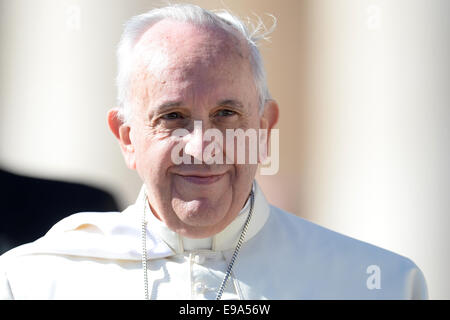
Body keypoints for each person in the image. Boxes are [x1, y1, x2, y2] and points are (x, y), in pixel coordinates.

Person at [0, 4, 427, 300]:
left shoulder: (377, 284)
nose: (202, 146)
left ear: (263, 129)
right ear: (127, 136)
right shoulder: (33, 281)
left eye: (226, 113)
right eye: (172, 115)